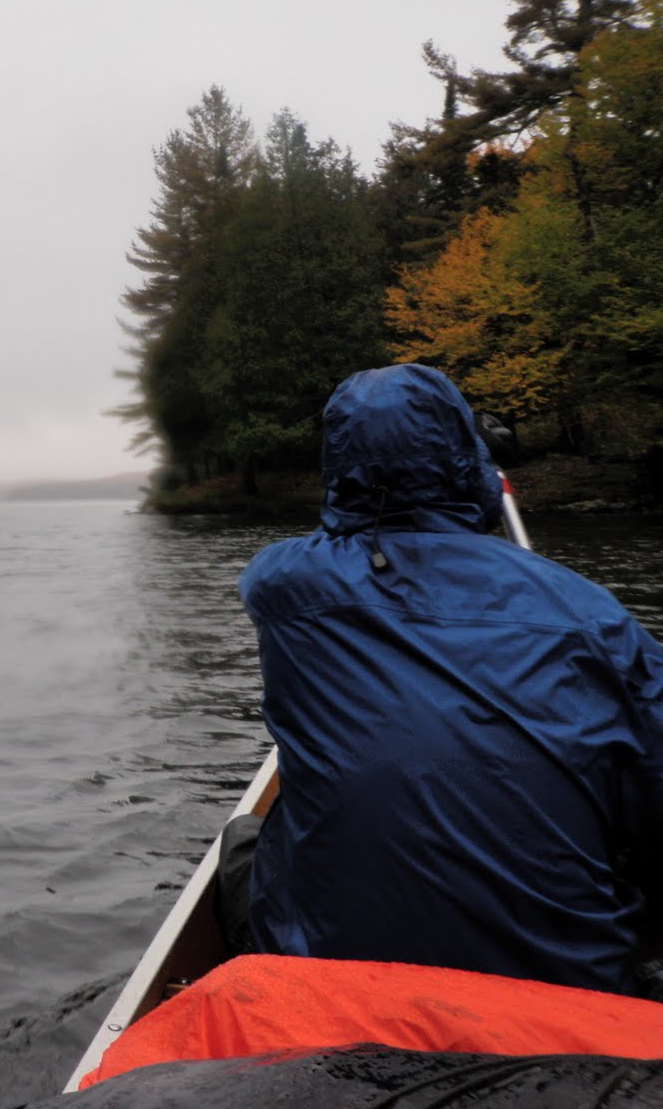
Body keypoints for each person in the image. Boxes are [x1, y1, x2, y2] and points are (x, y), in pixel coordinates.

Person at [228, 363, 663, 996]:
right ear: (465, 458)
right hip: (563, 981)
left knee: (244, 839)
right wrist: (483, 485)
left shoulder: (283, 586)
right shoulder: (594, 615)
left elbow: (323, 547)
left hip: (334, 971)